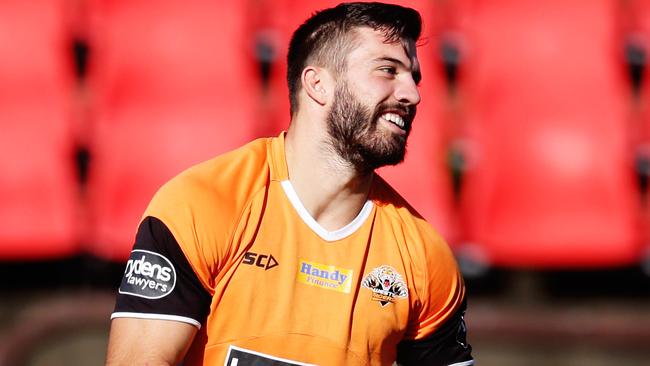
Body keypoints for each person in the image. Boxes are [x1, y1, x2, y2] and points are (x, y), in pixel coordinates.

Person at [105, 2, 473, 365]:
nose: (413, 94)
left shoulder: (425, 258)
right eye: (388, 70)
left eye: (414, 77)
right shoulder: (202, 205)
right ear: (318, 85)